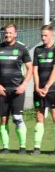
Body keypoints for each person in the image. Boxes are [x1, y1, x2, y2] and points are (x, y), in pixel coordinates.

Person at [0, 23, 32, 154]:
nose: (7, 35)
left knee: (18, 118)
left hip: (17, 90)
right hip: (2, 90)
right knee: (3, 119)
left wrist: (23, 85)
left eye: (10, 33)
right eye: (5, 33)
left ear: (15, 34)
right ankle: (5, 147)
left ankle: (22, 147)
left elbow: (30, 68)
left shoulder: (21, 49)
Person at [31, 24, 55, 155]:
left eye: (45, 35)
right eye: (42, 35)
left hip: (53, 89)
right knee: (39, 118)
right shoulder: (38, 50)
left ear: (52, 35)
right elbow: (34, 69)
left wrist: (46, 87)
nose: (43, 38)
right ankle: (36, 148)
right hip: (39, 89)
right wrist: (37, 86)